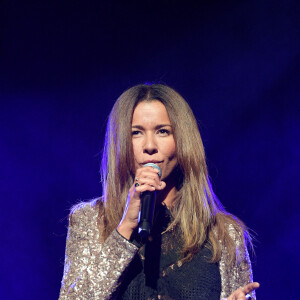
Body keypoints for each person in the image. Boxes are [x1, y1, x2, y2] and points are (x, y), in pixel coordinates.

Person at [59, 84, 260, 300]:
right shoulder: (90, 220)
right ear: (121, 143)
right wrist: (126, 226)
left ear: (182, 140)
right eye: (136, 133)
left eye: (162, 131)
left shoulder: (224, 234)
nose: (149, 146)